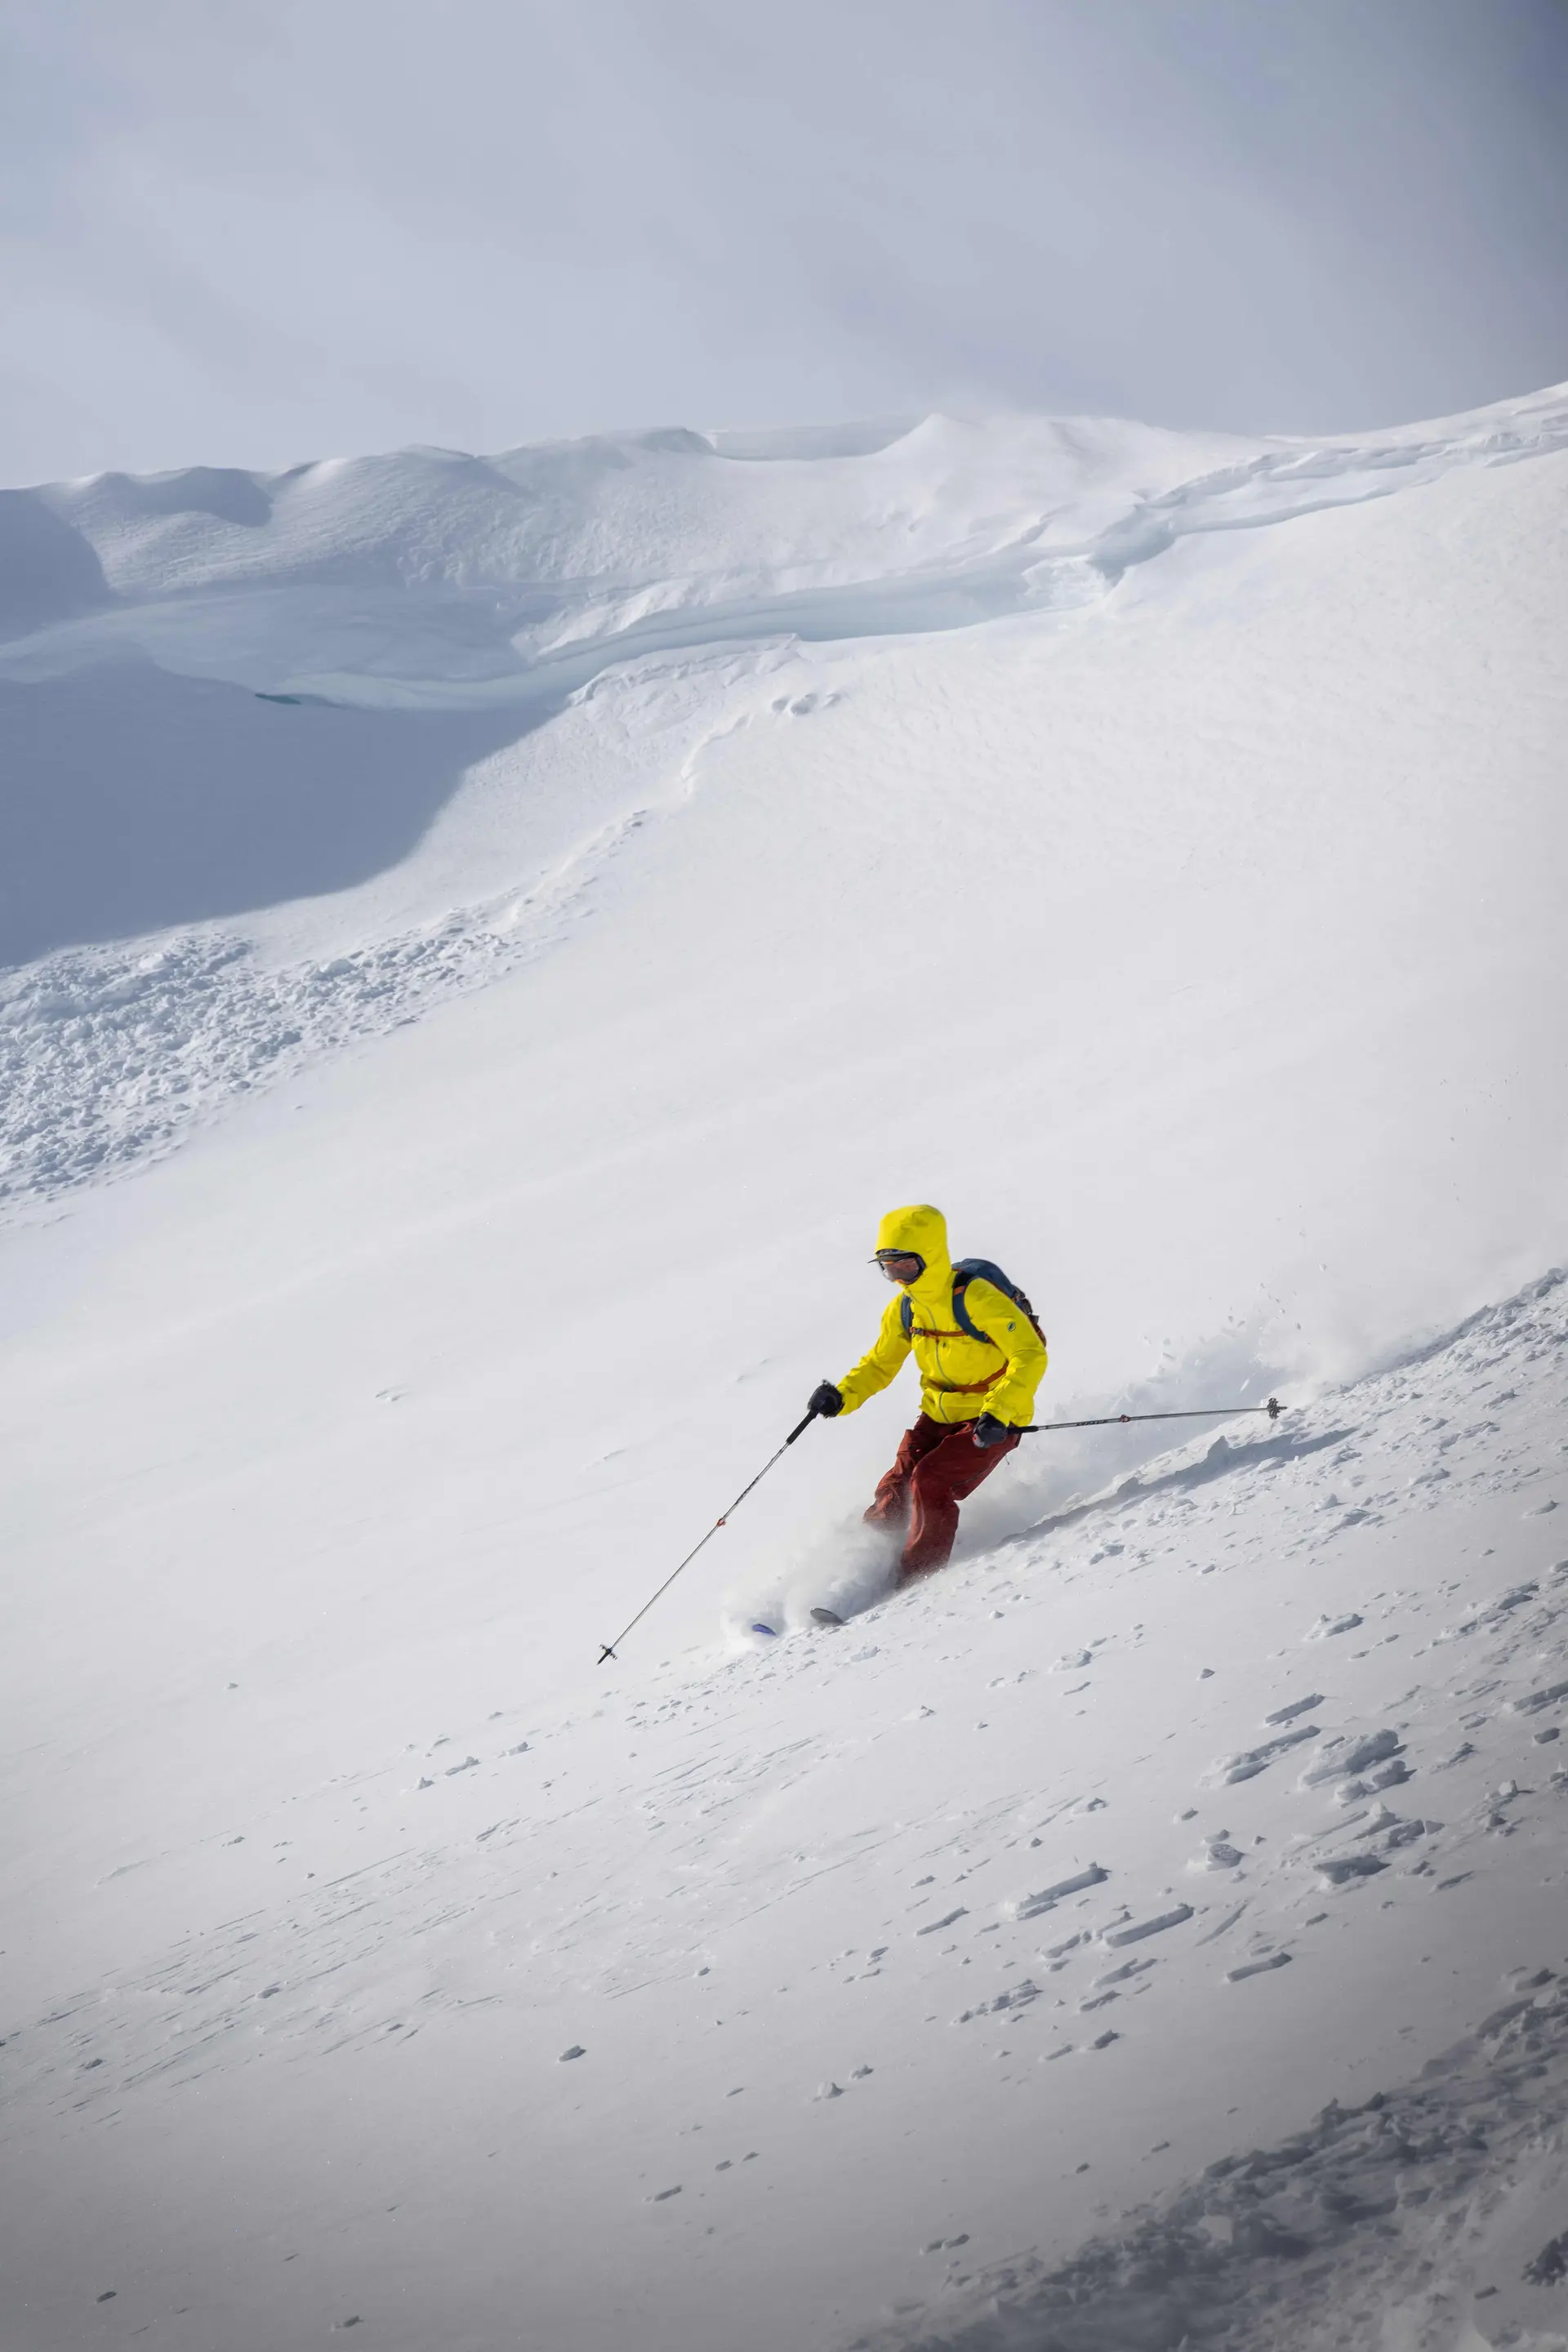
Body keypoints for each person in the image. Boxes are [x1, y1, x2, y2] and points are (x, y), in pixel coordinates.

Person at [807, 1204, 1048, 1581]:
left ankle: (917, 1578)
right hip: (937, 1413)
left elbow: (1030, 1354)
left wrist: (1000, 1411)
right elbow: (880, 1363)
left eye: (906, 1265)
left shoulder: (976, 1298)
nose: (899, 1277)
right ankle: (856, 1571)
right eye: (888, 1268)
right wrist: (842, 1396)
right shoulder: (905, 1308)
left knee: (930, 1480)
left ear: (930, 1257)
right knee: (896, 1487)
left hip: (992, 1418)